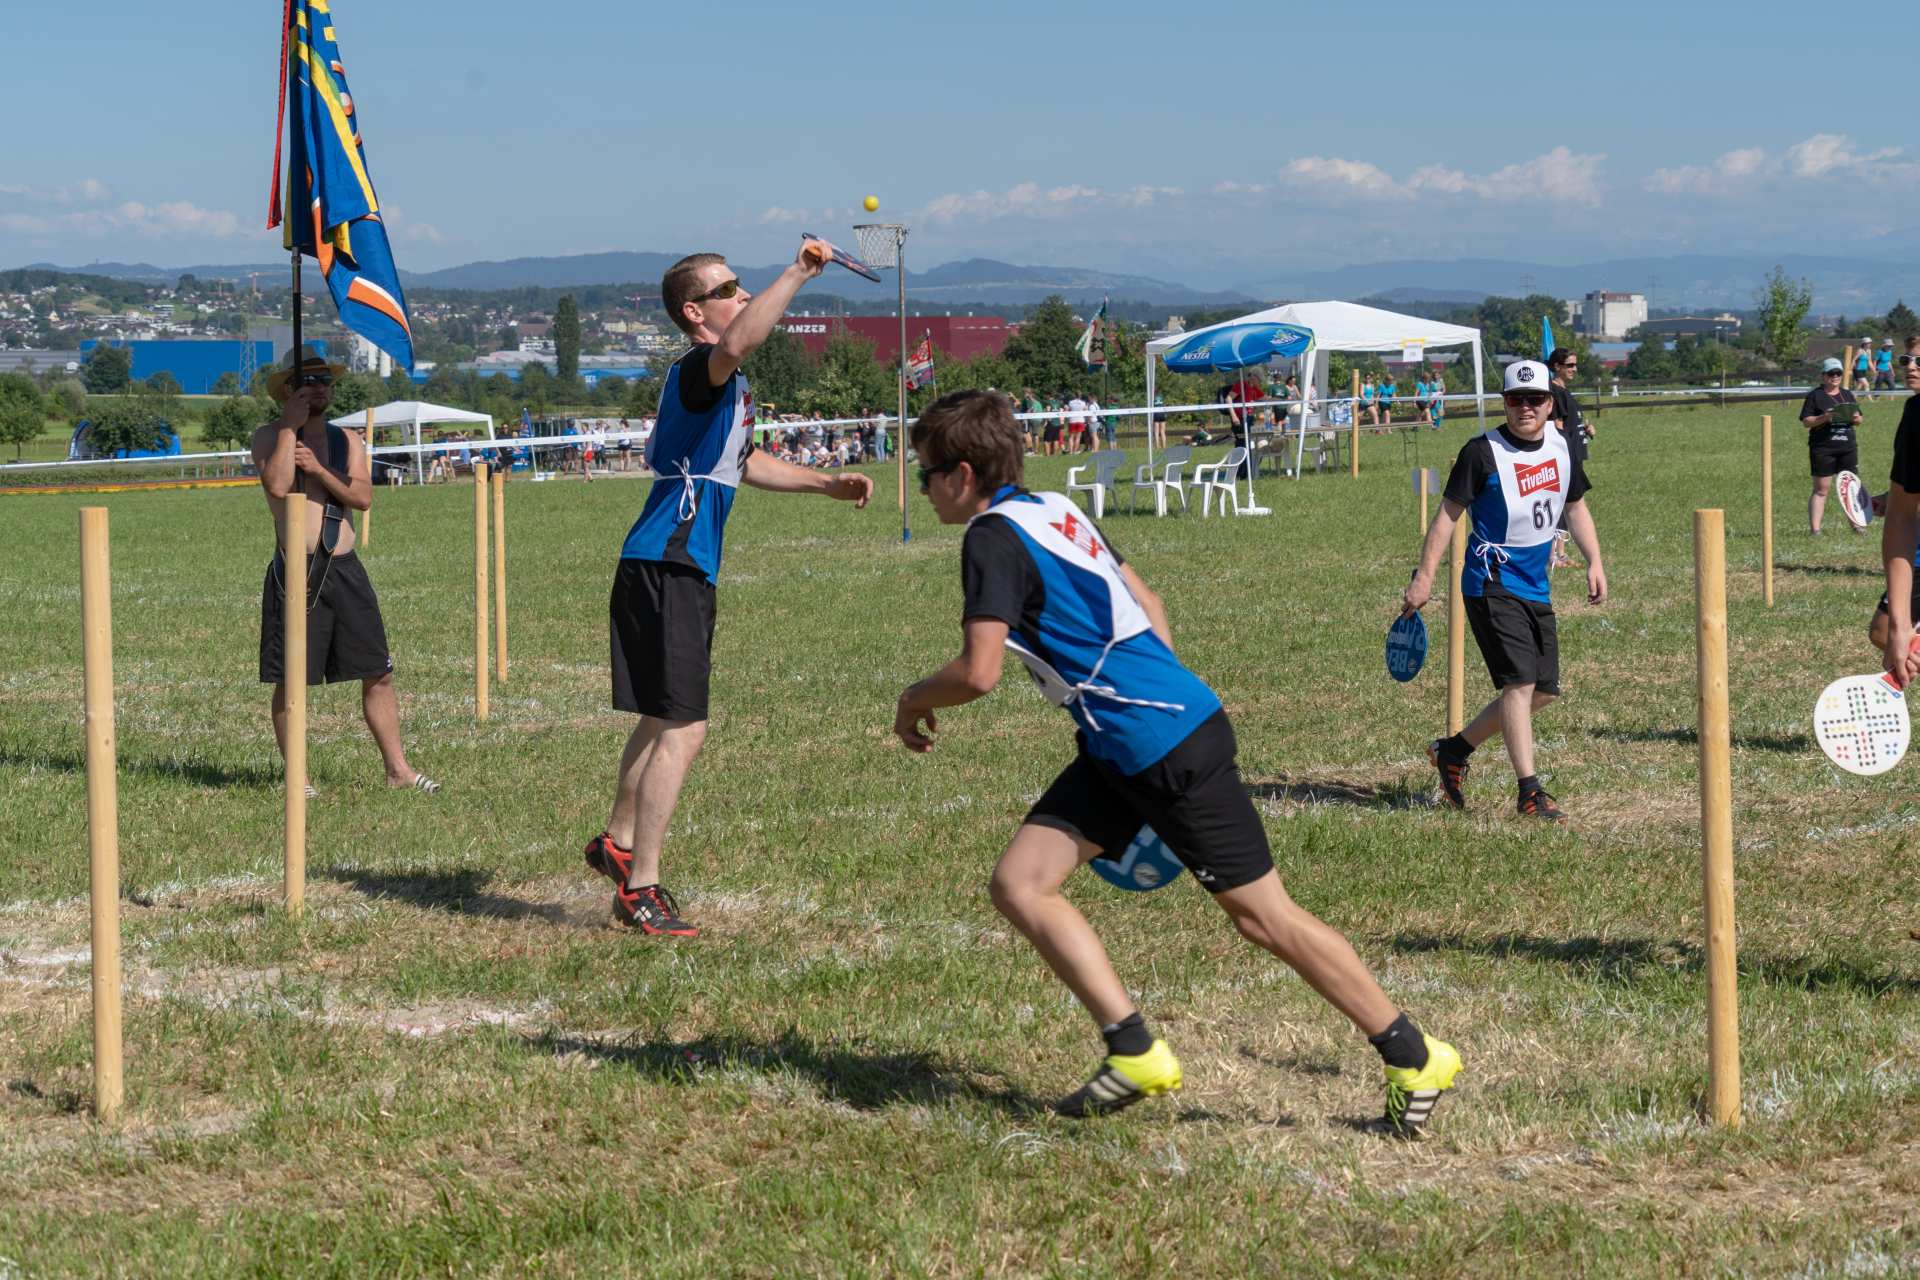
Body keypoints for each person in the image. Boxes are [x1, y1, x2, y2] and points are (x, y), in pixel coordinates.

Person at [895, 389, 1462, 1132]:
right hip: (1129, 741)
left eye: (927, 472)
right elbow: (1150, 602)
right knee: (1021, 884)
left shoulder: (991, 538)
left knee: (1265, 918)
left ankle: (1415, 1055)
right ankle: (1133, 1049)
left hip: (1158, 747)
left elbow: (979, 672)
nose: (924, 487)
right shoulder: (1053, 509)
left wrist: (910, 699)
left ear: (963, 474)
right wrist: (1152, 693)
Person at [585, 242, 874, 936]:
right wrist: (798, 273)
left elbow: (742, 463)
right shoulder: (702, 367)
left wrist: (825, 484)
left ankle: (616, 843)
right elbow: (742, 340)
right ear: (695, 312)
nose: (741, 295)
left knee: (661, 715)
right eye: (728, 289)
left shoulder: (723, 386)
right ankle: (641, 886)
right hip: (672, 562)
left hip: (665, 563)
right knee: (685, 727)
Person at [1404, 360, 1606, 823]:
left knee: (1544, 691)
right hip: (1490, 581)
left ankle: (1454, 750)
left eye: (1535, 399)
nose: (1525, 408)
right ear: (1505, 403)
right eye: (1516, 399)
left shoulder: (1561, 446)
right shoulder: (1481, 453)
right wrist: (1424, 577)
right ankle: (1530, 792)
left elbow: (1575, 507)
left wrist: (1594, 560)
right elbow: (1446, 517)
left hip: (1536, 583)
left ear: (1550, 404)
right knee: (1519, 684)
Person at [251, 349, 437, 798]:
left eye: (324, 380)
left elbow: (362, 497)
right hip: (296, 572)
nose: (319, 387)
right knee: (291, 681)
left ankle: (398, 771)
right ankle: (298, 779)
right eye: (309, 380)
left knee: (379, 672)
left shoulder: (347, 440)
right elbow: (278, 485)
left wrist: (317, 469)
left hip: (346, 570)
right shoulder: (268, 437)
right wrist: (290, 429)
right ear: (288, 390)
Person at [1873, 337, 1920, 661]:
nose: (1911, 367)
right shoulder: (1916, 416)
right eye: (1906, 361)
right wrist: (1900, 626)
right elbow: (1902, 513)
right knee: (1884, 633)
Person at [1802, 357, 1864, 536]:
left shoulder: (1847, 394)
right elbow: (1806, 422)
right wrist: (1825, 417)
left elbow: (1860, 419)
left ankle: (1856, 525)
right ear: (1823, 376)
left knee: (1851, 488)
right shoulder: (1815, 396)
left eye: (1838, 373)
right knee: (1821, 490)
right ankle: (1815, 530)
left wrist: (1856, 418)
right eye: (1831, 373)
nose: (1835, 376)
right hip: (1823, 448)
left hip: (1847, 447)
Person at [1546, 348, 1590, 568]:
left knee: (1568, 502)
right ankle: (1552, 555)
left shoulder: (1564, 390)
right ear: (1557, 366)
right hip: (1565, 457)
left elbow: (1571, 421)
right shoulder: (1554, 391)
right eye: (1570, 365)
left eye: (1575, 365)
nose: (1575, 369)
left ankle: (1561, 553)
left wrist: (1585, 428)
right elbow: (1557, 426)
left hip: (1574, 455)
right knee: (1560, 503)